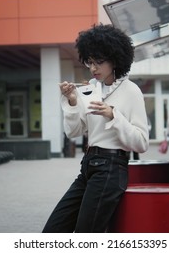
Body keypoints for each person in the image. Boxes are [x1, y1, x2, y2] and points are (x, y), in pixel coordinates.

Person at [42, 24, 149, 233]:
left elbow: (142, 142)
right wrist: (72, 102)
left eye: (99, 62)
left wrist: (113, 115)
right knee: (53, 231)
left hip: (112, 167)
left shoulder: (131, 91)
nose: (93, 68)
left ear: (115, 58)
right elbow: (73, 132)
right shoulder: (90, 89)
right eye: (89, 62)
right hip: (88, 166)